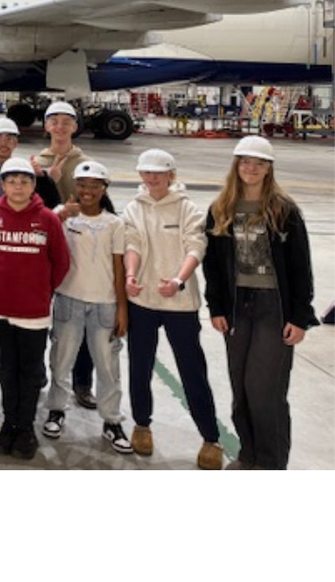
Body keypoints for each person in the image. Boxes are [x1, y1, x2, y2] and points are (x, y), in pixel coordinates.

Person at [202, 136, 318, 470]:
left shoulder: (284, 210)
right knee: (240, 386)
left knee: (264, 389)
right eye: (245, 162)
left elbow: (300, 267)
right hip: (239, 307)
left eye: (259, 163)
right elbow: (213, 267)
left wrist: (299, 317)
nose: (251, 168)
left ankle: (270, 463)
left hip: (273, 306)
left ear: (269, 169)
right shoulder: (221, 208)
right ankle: (248, 455)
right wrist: (217, 307)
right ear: (236, 166)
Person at [122, 148, 223, 469]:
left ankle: (210, 437)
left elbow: (196, 245)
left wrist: (179, 281)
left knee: (192, 369)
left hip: (179, 302)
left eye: (158, 173)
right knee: (139, 365)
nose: (151, 178)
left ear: (171, 175)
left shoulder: (188, 209)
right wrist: (130, 275)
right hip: (143, 301)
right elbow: (132, 243)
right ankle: (141, 424)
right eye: (146, 172)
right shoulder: (134, 208)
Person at [0, 156, 69, 460]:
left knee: (30, 370)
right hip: (1, 307)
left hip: (34, 310)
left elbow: (61, 262)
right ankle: (9, 424)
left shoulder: (48, 219)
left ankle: (25, 427)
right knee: (7, 369)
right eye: (12, 181)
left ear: (33, 185)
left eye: (25, 181)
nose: (18, 187)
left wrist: (41, 289)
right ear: (3, 184)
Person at [42, 160, 132, 454]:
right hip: (69, 300)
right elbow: (44, 233)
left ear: (104, 188)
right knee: (61, 359)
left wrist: (121, 308)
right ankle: (56, 410)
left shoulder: (114, 224)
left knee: (108, 366)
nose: (87, 190)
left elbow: (119, 267)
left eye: (95, 185)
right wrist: (62, 213)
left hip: (104, 304)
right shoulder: (64, 218)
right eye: (82, 185)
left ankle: (111, 420)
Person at [31, 100, 96, 409]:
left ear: (74, 127)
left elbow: (92, 204)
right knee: (41, 317)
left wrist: (56, 180)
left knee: (80, 319)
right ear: (46, 126)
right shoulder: (35, 162)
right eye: (53, 121)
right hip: (44, 250)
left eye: (66, 121)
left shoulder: (85, 163)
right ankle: (42, 372)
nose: (59, 126)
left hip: (78, 248)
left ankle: (82, 383)